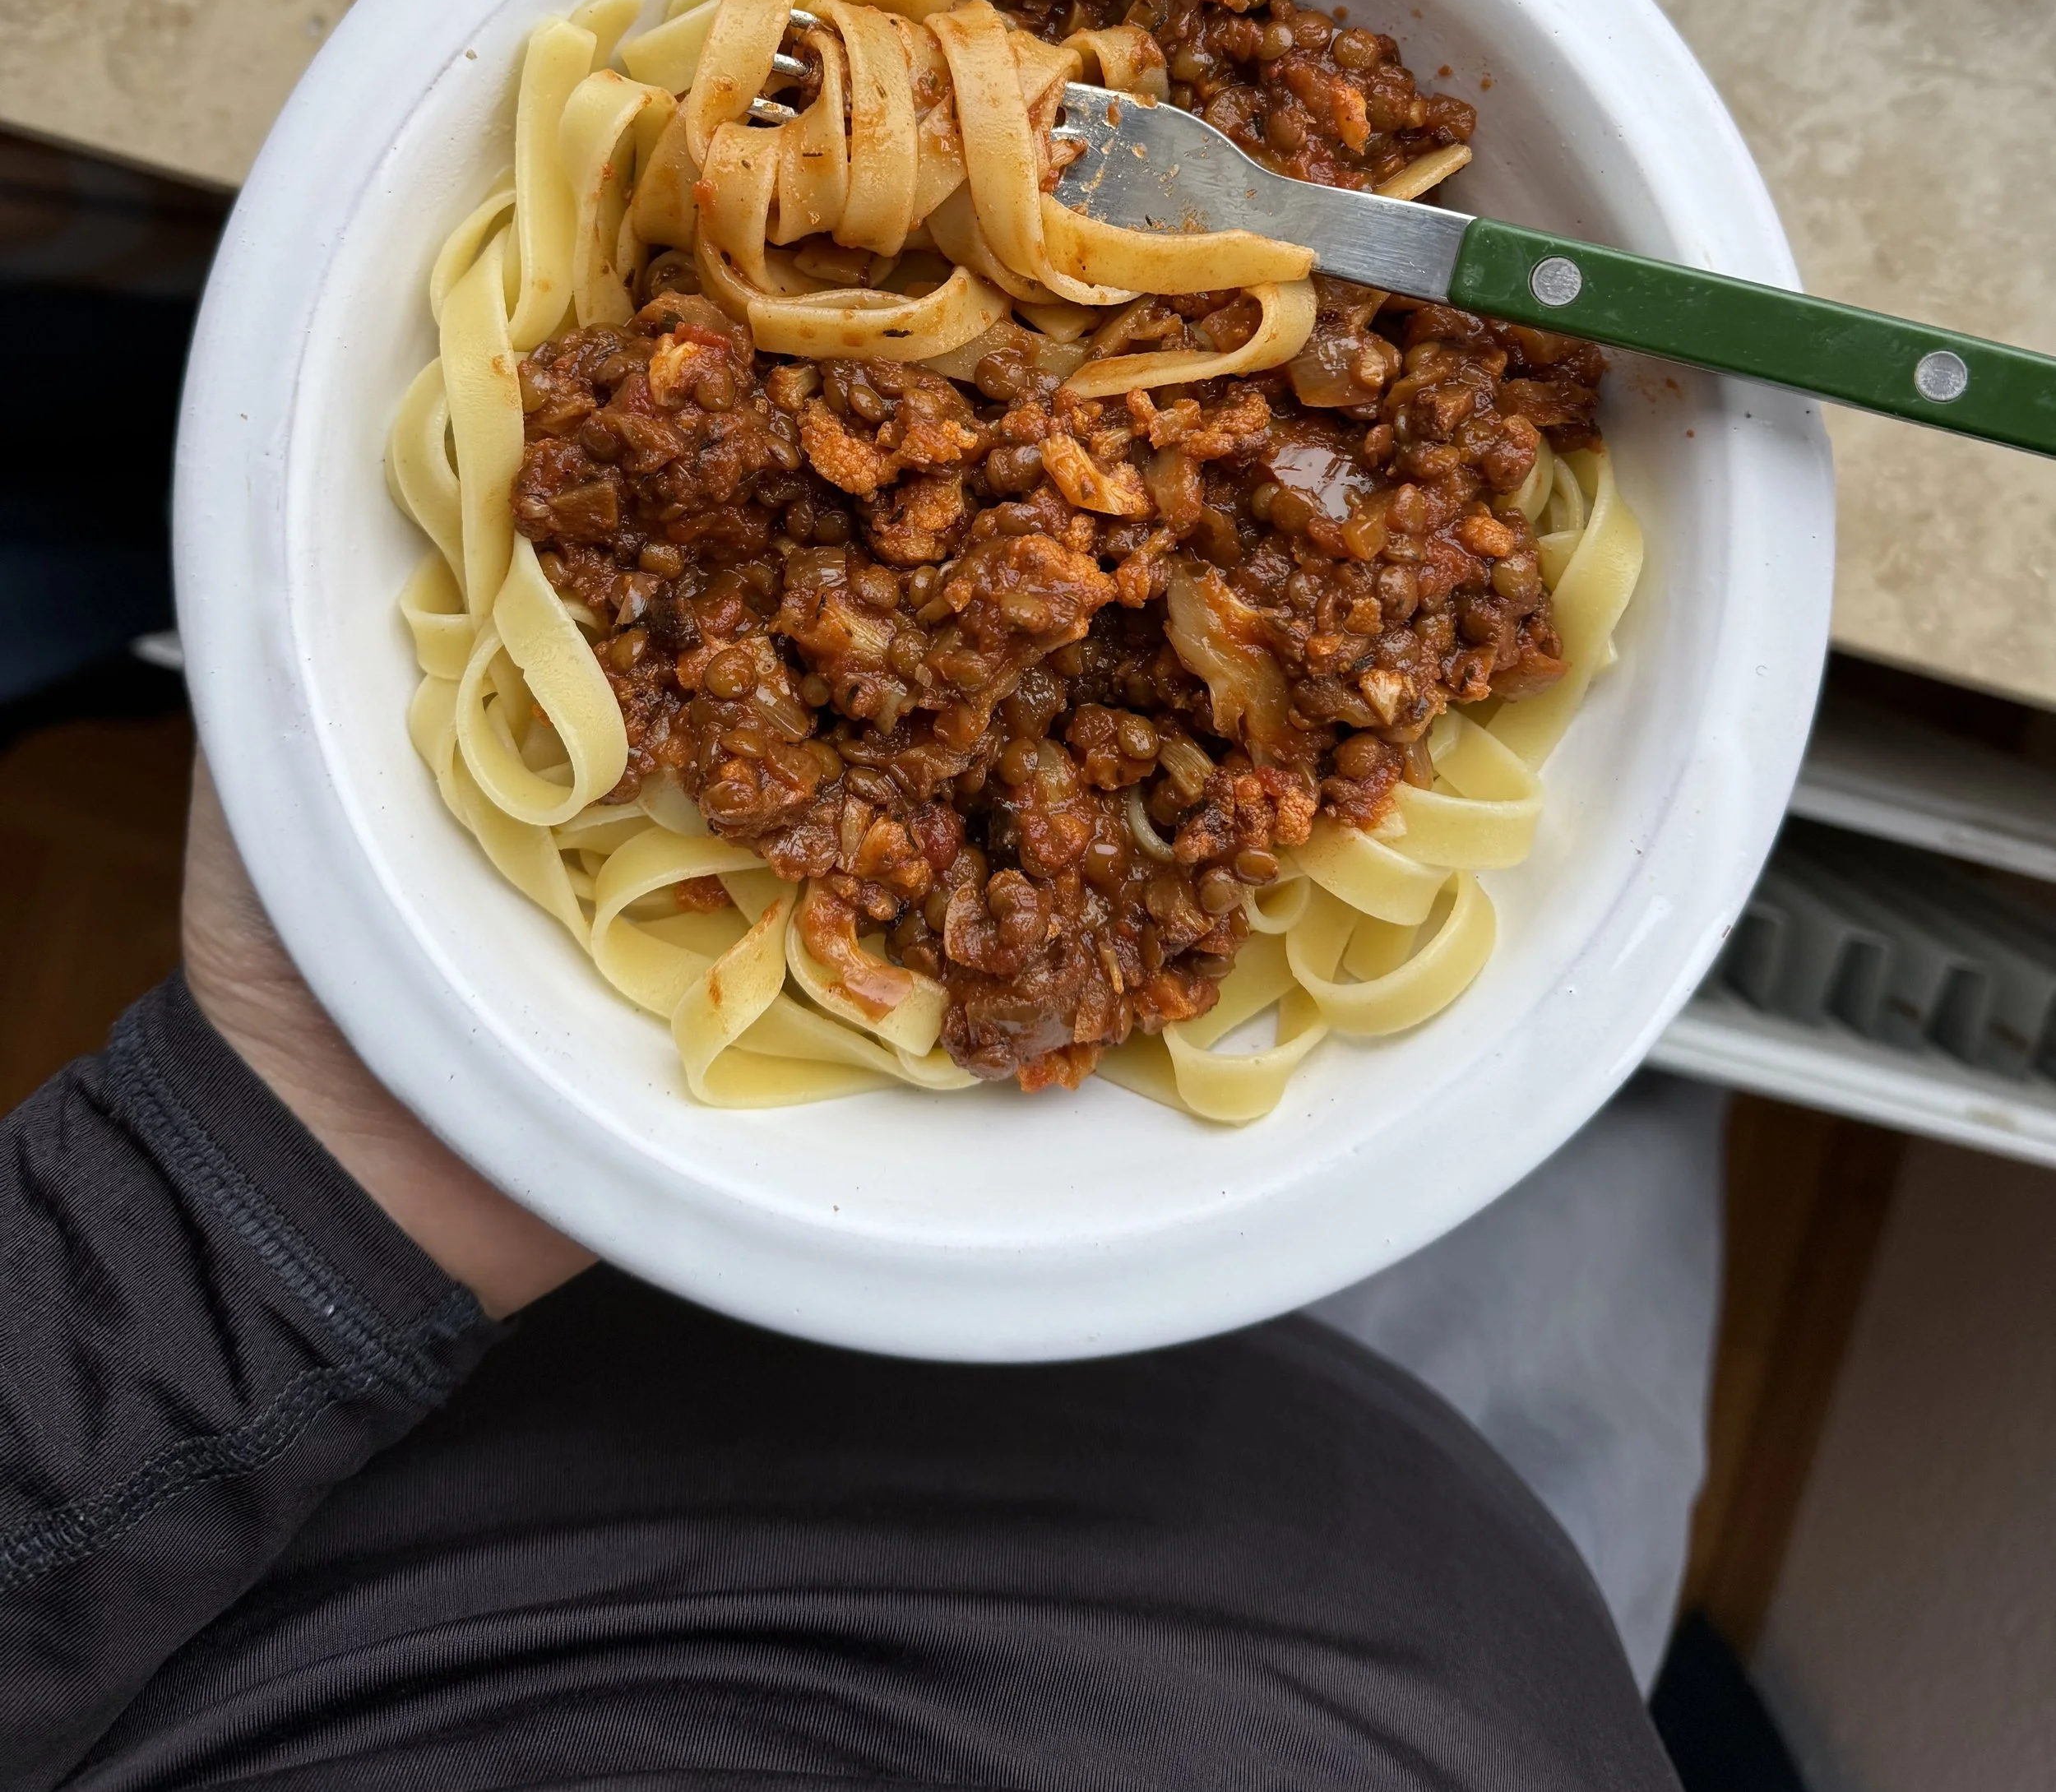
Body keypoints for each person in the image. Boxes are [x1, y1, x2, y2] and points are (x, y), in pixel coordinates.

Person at [2, 762, 1692, 1790]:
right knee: (1589, 1149)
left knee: (1563, 1085)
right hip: (1468, 1587)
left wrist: (274, 1187)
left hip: (520, 1376)